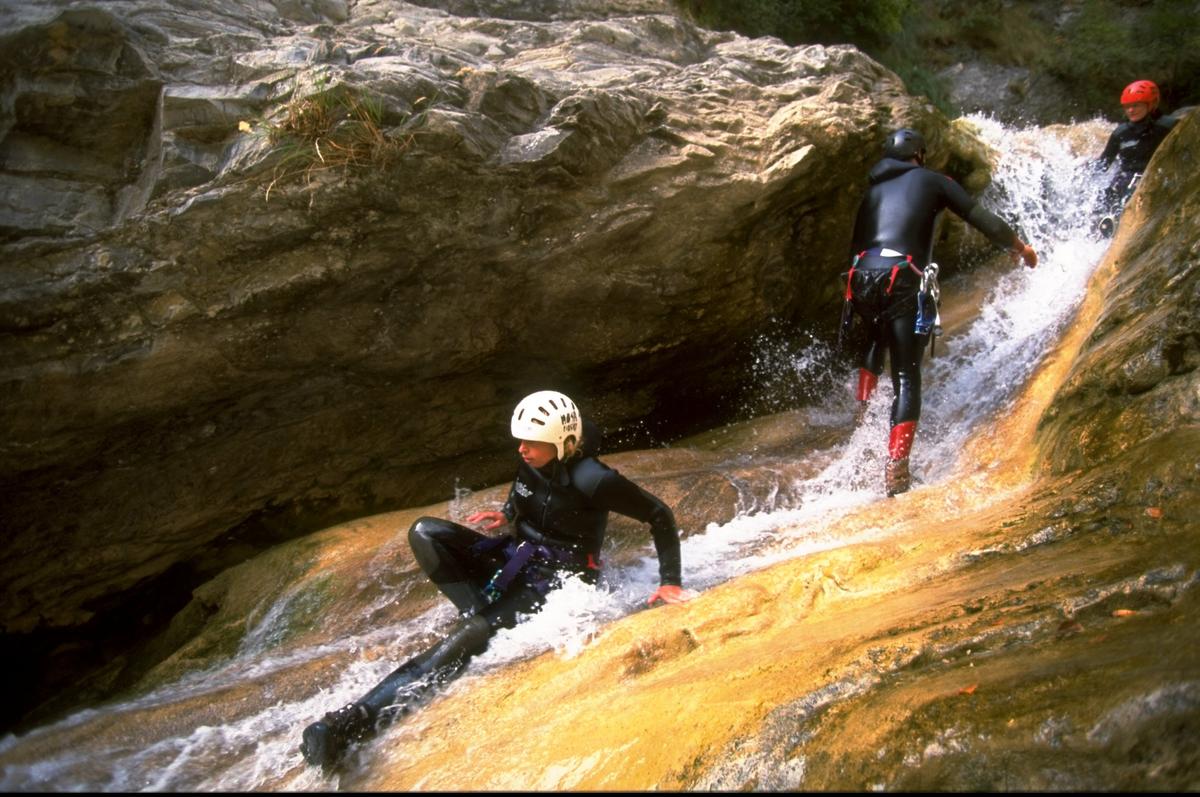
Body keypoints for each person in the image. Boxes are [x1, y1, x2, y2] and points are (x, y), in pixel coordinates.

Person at [299, 389, 693, 771]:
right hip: (518, 558)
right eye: (520, 441)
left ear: (562, 442)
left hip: (560, 580)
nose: (521, 449)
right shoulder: (535, 456)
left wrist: (670, 581)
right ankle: (483, 619)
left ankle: (352, 725)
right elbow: (523, 485)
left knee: (469, 634)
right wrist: (507, 512)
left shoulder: (595, 479)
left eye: (531, 443)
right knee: (425, 532)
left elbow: (658, 515)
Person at [842, 127, 1038, 497]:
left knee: (873, 340)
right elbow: (980, 217)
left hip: (861, 276)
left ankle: (861, 421)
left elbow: (858, 243)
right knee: (906, 372)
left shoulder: (871, 191)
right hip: (902, 275)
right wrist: (1019, 247)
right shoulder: (932, 180)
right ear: (920, 155)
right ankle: (896, 472)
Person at [1095, 79, 1177, 236]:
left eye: (1136, 105)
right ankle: (1106, 220)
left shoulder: (1168, 126)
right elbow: (1104, 163)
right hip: (1126, 176)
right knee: (1110, 191)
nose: (1131, 110)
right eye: (1127, 107)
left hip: (1153, 174)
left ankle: (1117, 216)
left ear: (1151, 104)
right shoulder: (1121, 133)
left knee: (1134, 185)